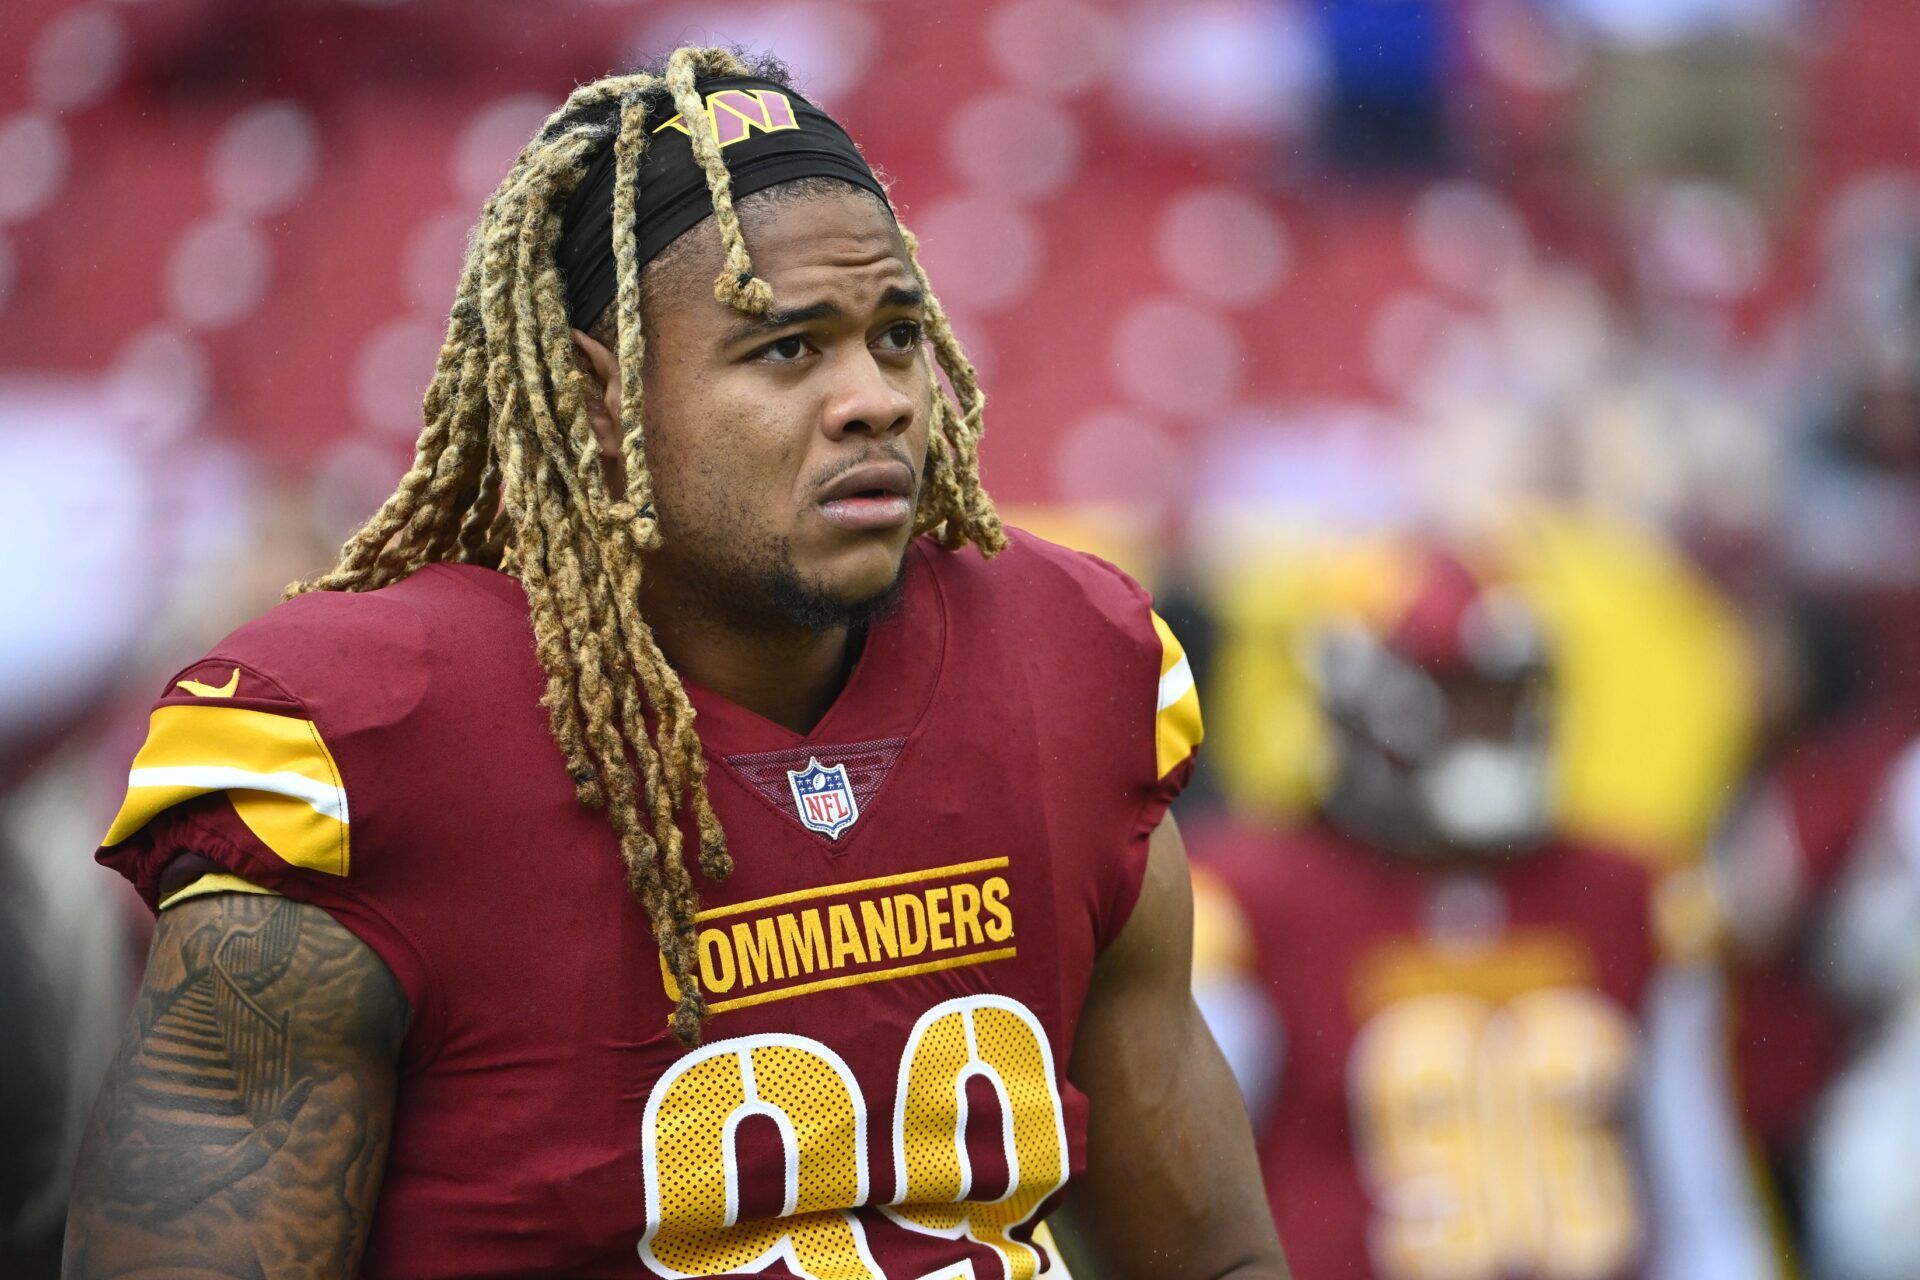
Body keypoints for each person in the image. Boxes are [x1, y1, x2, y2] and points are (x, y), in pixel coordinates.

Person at [63, 46, 1286, 1280]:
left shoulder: (1066, 662)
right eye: (789, 348)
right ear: (602, 398)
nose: (878, 399)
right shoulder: (364, 740)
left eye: (898, 334)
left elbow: (1214, 1256)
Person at [1190, 546, 1775, 1280]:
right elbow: (1190, 1201)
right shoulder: (1255, 898)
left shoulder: (1632, 892)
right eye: (1455, 695)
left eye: (1502, 699)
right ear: (1359, 706)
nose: (1486, 733)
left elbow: (1700, 1187)